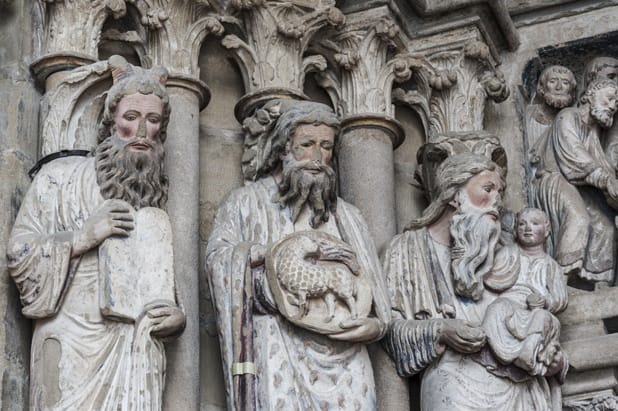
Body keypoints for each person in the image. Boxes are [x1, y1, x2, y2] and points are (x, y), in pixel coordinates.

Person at [7, 55, 185, 410]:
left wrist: (175, 317)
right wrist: (81, 238)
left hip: (136, 346)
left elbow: (156, 279)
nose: (140, 131)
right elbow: (19, 252)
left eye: (152, 121)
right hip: (72, 339)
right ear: (110, 123)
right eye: (130, 118)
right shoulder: (60, 178)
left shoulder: (150, 194)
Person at [205, 99, 390, 410]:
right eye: (306, 144)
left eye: (326, 147)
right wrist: (259, 254)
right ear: (283, 148)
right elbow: (217, 260)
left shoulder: (348, 216)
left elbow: (371, 286)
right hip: (278, 345)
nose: (317, 157)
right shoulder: (246, 202)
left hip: (347, 358)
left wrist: (377, 326)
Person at [382, 152, 563, 410]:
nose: (496, 202)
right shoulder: (408, 251)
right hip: (454, 389)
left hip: (519, 391)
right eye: (487, 189)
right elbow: (388, 332)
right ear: (454, 195)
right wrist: (441, 330)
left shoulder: (510, 254)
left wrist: (553, 361)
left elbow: (539, 323)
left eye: (499, 193)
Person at [533, 78, 618, 286]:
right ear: (590, 95)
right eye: (609, 98)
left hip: (579, 186)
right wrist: (607, 180)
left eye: (616, 102)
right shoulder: (567, 116)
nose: (613, 105)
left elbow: (602, 166)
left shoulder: (593, 133)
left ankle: (599, 286)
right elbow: (574, 157)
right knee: (579, 219)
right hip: (555, 179)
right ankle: (559, 284)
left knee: (606, 227)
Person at [482, 208, 568, 382]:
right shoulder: (507, 253)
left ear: (547, 229)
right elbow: (490, 280)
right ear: (515, 230)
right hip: (508, 303)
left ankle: (529, 352)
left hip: (534, 311)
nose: (527, 228)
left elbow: (559, 299)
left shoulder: (551, 265)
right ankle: (506, 352)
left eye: (534, 223)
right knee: (495, 310)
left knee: (545, 319)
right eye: (522, 224)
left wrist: (544, 302)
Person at [526, 65, 577, 149]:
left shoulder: (574, 119)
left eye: (565, 83)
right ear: (542, 87)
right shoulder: (528, 114)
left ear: (571, 90)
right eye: (552, 81)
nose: (558, 87)